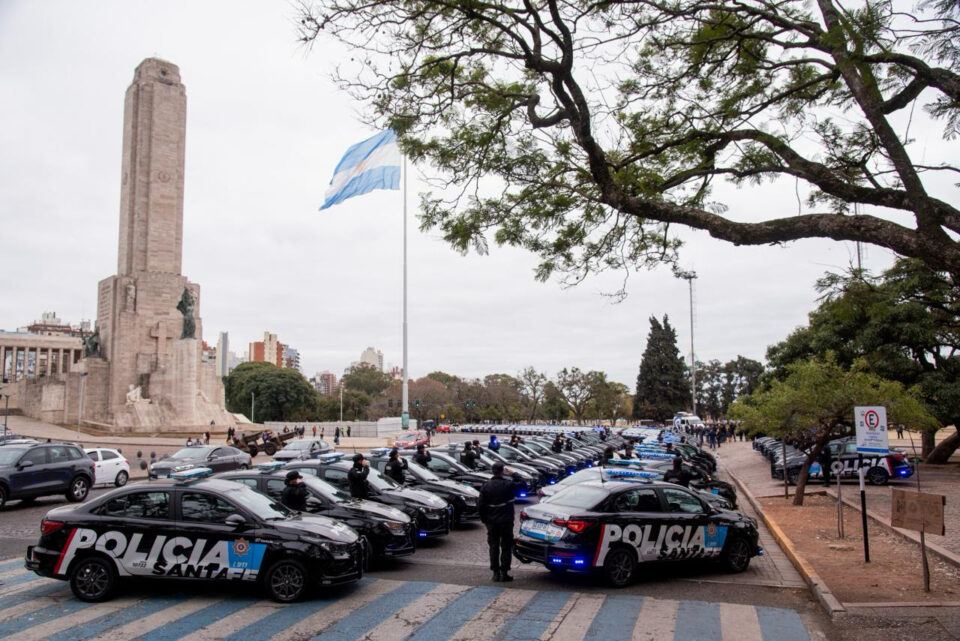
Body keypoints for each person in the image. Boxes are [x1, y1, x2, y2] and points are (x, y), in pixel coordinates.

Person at [479, 461, 524, 582]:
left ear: (492, 471)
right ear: (502, 471)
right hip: (506, 520)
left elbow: (481, 506)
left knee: (493, 546)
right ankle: (504, 572)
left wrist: (484, 520)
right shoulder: (508, 484)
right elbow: (522, 484)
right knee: (506, 546)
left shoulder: (486, 486)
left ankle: (495, 573)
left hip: (492, 521)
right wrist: (514, 473)